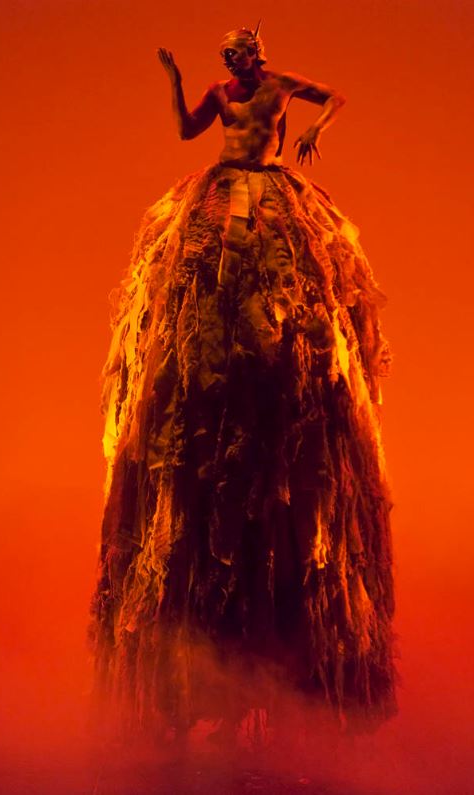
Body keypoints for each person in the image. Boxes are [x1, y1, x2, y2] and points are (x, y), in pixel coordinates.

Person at [88, 24, 397, 744]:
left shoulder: (280, 85)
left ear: (259, 53)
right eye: (228, 56)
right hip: (220, 194)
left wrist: (314, 128)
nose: (236, 63)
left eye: (242, 54)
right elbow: (187, 132)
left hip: (272, 194)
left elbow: (336, 95)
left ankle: (287, 686)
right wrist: (173, 81)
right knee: (196, 326)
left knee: (292, 320)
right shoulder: (219, 93)